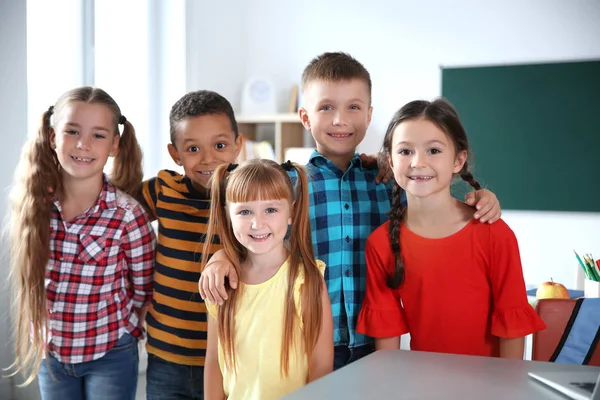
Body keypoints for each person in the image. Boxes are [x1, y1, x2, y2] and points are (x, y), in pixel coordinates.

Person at [199, 52, 503, 369]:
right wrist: (221, 256)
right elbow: (251, 236)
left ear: (369, 115)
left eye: (353, 107)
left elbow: (435, 201)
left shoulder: (388, 180)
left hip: (378, 341)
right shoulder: (286, 185)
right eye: (326, 107)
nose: (339, 119)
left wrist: (483, 196)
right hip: (306, 342)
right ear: (305, 117)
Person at [356, 98, 546, 358]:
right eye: (405, 151)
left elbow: (512, 327)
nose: (417, 162)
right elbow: (387, 343)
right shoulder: (381, 244)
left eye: (433, 150)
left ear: (458, 160)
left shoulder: (494, 233)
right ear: (390, 161)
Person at [8, 87, 156, 399]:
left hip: (110, 353)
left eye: (98, 135)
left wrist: (129, 330)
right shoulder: (36, 207)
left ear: (114, 144)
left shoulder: (127, 215)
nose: (82, 144)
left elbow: (144, 290)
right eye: (71, 131)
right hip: (52, 354)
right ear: (52, 137)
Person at [139, 90, 242, 399]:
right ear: (175, 154)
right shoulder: (163, 190)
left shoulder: (251, 195)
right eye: (193, 148)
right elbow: (113, 208)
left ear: (238, 145)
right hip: (167, 355)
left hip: (231, 356)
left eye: (220, 145)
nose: (208, 158)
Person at [202, 159, 333, 400]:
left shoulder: (306, 281)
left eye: (270, 210)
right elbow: (213, 362)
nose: (257, 223)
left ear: (291, 212)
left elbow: (321, 367)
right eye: (245, 211)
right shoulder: (220, 282)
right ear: (228, 214)